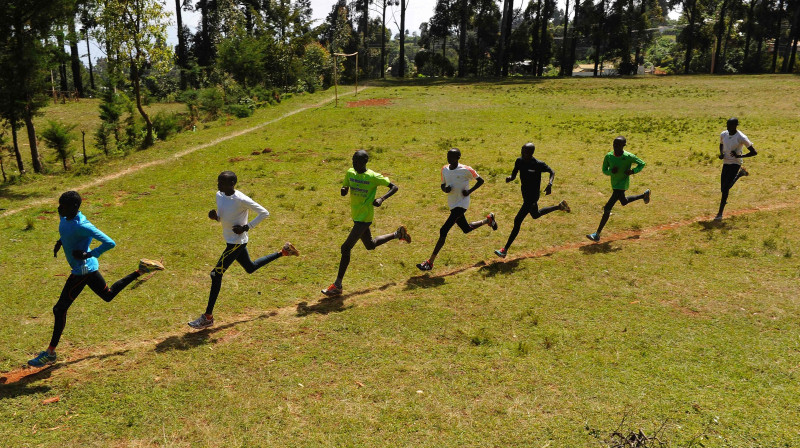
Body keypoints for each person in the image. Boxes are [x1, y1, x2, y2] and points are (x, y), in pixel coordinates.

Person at [28, 191, 165, 367]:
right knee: (108, 295)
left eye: (63, 205)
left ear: (74, 207)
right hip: (88, 268)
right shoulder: (66, 217)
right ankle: (142, 269)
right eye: (59, 204)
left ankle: (50, 353)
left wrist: (89, 253)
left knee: (59, 309)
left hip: (82, 270)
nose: (59, 208)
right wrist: (61, 242)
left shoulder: (83, 225)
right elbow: (68, 232)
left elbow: (110, 242)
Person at [188, 171, 298, 329]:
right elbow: (224, 216)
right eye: (218, 182)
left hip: (237, 243)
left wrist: (246, 227)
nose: (218, 185)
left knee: (215, 274)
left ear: (232, 183)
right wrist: (215, 217)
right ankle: (284, 252)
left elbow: (264, 212)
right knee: (250, 267)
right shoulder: (219, 195)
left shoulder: (241, 199)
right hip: (230, 241)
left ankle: (208, 317)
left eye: (221, 183)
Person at [321, 150, 411, 297]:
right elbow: (346, 187)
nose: (353, 164)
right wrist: (344, 190)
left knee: (345, 248)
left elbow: (394, 187)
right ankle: (397, 234)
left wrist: (382, 199)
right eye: (352, 161)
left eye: (356, 162)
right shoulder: (350, 172)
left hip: (365, 217)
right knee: (370, 245)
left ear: (364, 162)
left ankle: (337, 285)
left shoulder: (373, 176)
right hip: (356, 216)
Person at [417, 148, 497, 271]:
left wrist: (469, 191)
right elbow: (443, 184)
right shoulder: (444, 169)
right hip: (452, 204)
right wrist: (445, 190)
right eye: (448, 156)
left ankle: (430, 262)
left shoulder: (466, 169)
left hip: (462, 204)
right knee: (466, 229)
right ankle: (488, 220)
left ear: (458, 157)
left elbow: (481, 181)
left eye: (452, 156)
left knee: (443, 230)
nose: (449, 158)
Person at [494, 143, 570, 258]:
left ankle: (505, 249)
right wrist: (511, 178)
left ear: (530, 152)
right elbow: (515, 173)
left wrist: (550, 184)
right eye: (522, 150)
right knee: (535, 215)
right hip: (525, 194)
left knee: (517, 220)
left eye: (525, 151)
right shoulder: (519, 161)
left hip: (533, 196)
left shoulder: (538, 164)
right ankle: (559, 206)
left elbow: (552, 171)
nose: (522, 153)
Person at [586, 137, 650, 242]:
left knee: (607, 208)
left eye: (618, 145)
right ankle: (644, 195)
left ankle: (597, 234)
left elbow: (642, 163)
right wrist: (611, 171)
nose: (615, 147)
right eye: (614, 144)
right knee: (624, 201)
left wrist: (633, 171)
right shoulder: (609, 156)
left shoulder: (629, 156)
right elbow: (604, 170)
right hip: (614, 184)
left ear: (623, 145)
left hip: (622, 184)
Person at [715, 117, 757, 221]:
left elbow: (754, 152)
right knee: (723, 188)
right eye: (727, 125)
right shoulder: (723, 134)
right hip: (726, 163)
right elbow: (721, 145)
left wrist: (739, 157)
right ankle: (740, 174)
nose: (727, 127)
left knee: (725, 189)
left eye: (730, 126)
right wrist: (721, 154)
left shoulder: (741, 137)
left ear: (735, 126)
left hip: (735, 164)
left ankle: (720, 213)